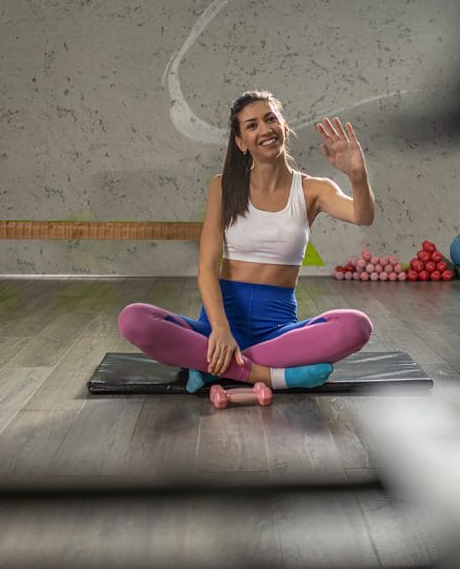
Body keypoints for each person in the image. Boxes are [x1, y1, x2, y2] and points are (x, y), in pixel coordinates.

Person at [118, 90, 374, 392]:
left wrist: (357, 175)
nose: (264, 129)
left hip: (277, 331)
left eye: (270, 119)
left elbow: (362, 216)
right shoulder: (223, 186)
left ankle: (214, 368)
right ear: (240, 142)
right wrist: (221, 331)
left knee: (357, 326)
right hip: (219, 326)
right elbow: (207, 265)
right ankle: (273, 376)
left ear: (285, 127)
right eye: (251, 125)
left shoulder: (313, 189)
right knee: (133, 319)